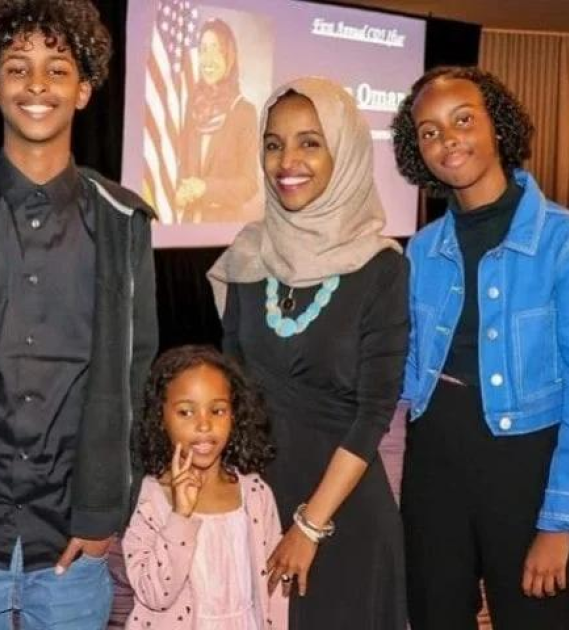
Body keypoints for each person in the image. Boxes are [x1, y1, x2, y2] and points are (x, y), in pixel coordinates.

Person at [391, 65, 569, 630]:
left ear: (497, 126)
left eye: (463, 120)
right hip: (434, 465)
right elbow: (408, 370)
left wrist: (561, 521)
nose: (447, 140)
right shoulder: (421, 250)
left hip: (527, 470)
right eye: (429, 131)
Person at [209, 76, 409, 629]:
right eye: (274, 144)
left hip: (342, 515)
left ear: (344, 152)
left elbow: (374, 414)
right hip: (256, 505)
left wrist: (309, 526)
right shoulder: (249, 257)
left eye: (310, 143)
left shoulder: (380, 268)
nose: (287, 161)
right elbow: (233, 388)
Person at [0, 1, 158, 628]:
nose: (37, 84)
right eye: (17, 67)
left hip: (72, 548)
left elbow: (136, 375)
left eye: (58, 69)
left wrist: (105, 513)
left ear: (84, 89)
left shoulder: (122, 222)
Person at [122, 345, 287, 629]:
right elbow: (154, 593)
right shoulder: (153, 498)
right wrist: (180, 517)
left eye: (217, 410)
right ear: (161, 417)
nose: (204, 425)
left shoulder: (255, 494)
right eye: (186, 412)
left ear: (234, 415)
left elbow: (275, 591)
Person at [175, 18, 259, 224]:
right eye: (203, 50)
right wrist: (180, 189)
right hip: (185, 225)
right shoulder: (192, 104)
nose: (208, 59)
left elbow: (250, 185)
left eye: (217, 50)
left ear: (229, 57)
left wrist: (206, 188)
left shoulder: (244, 112)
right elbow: (181, 162)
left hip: (221, 229)